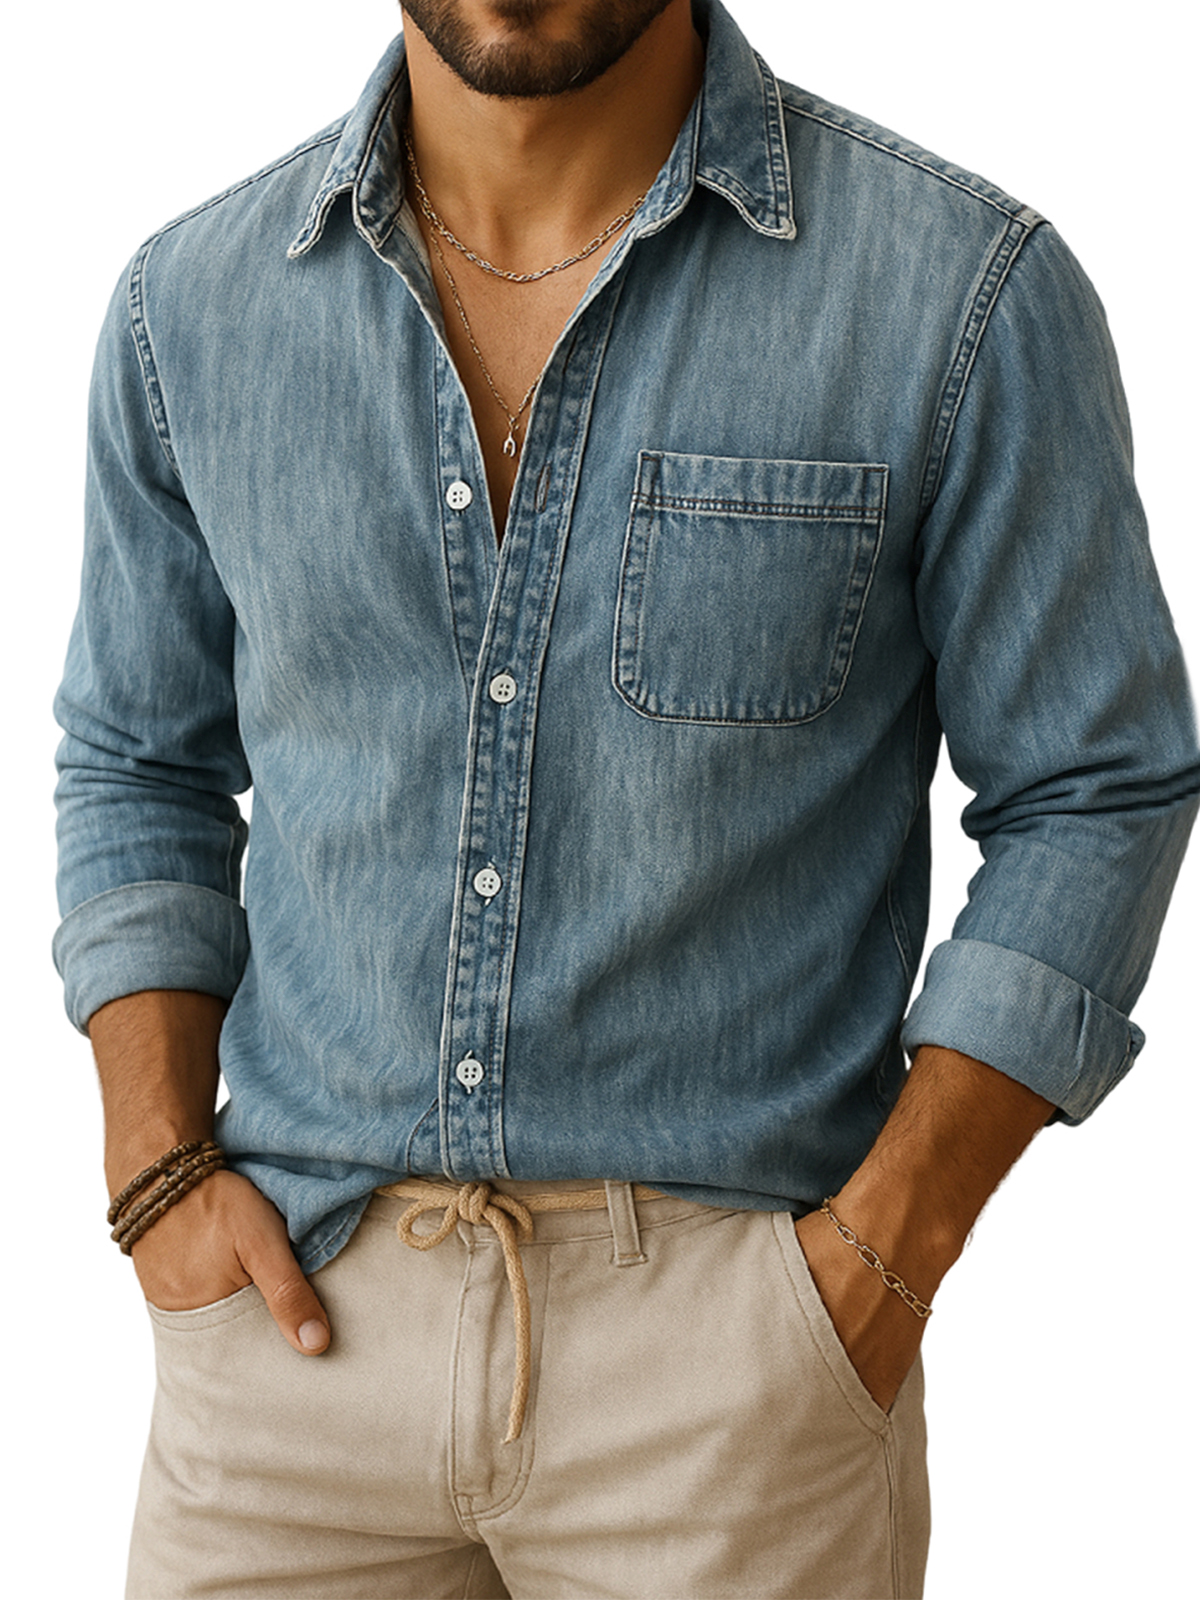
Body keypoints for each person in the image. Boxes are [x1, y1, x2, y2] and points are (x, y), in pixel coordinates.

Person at [53, 1, 1198, 1595]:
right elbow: (139, 760)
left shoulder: (959, 294)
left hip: (733, 1380)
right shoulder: (190, 310)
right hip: (287, 1348)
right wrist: (157, 1173)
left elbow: (1096, 784)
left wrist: (883, 1256)